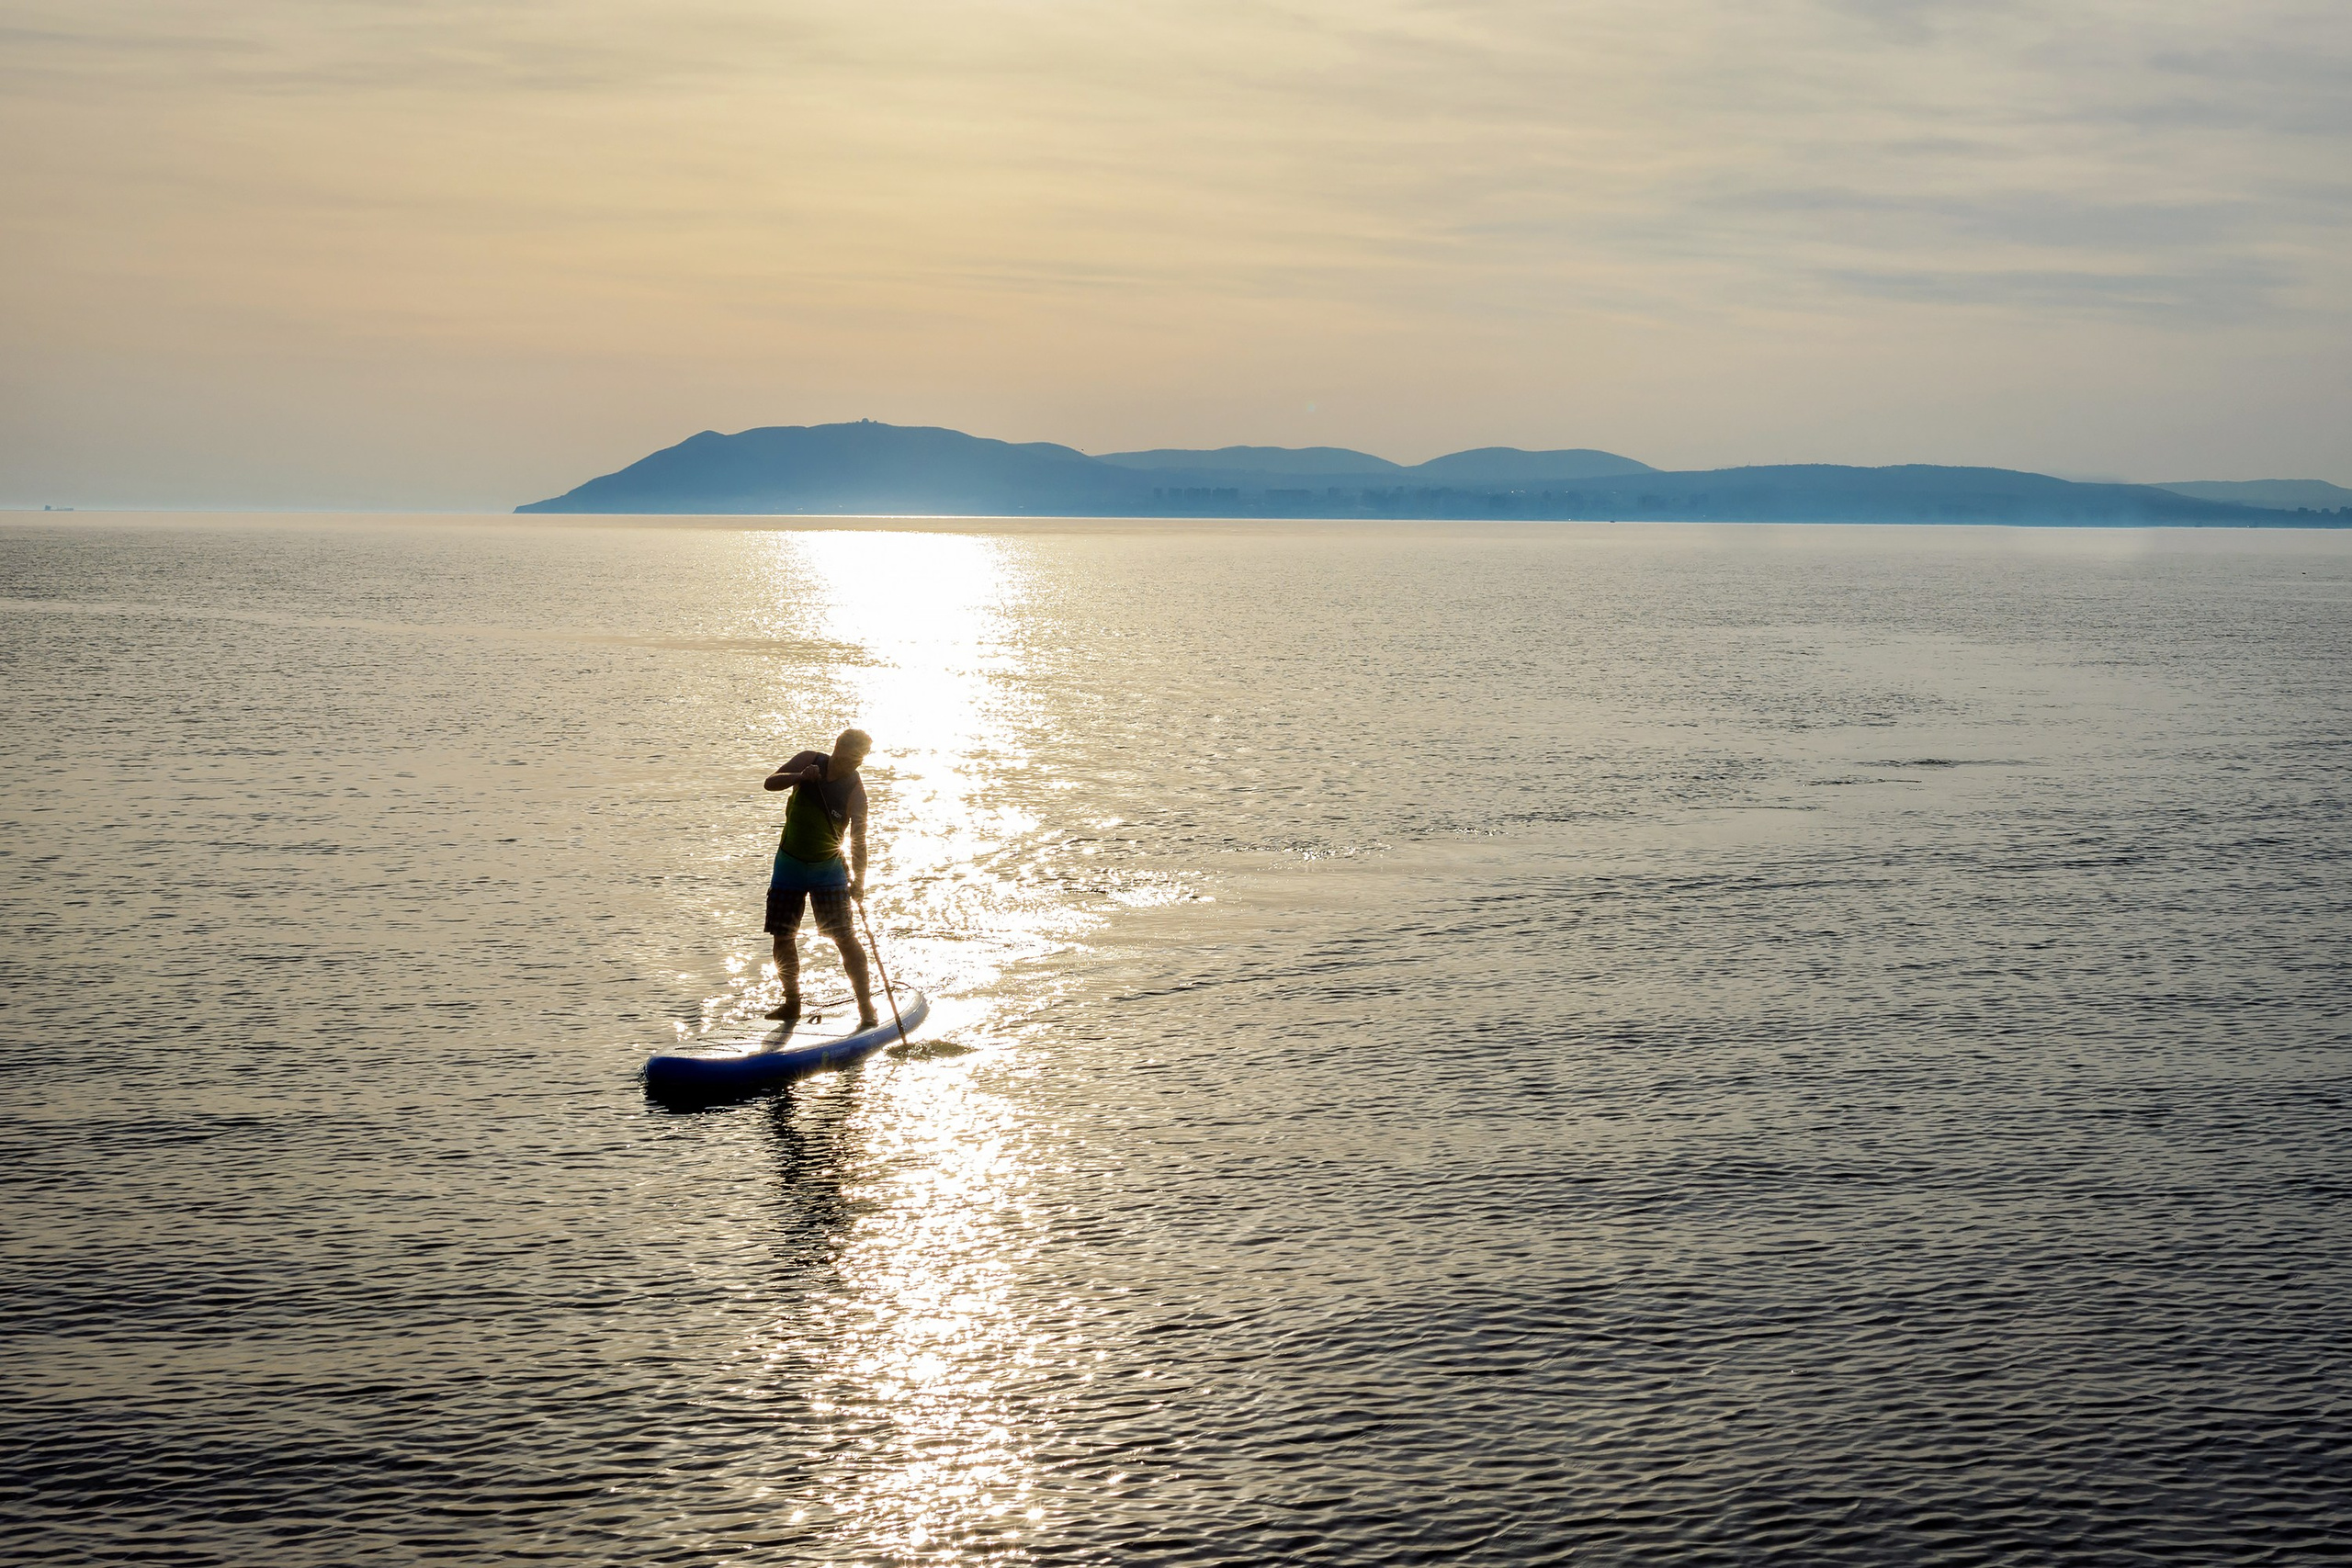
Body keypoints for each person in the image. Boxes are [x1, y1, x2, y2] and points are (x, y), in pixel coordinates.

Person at [761, 728, 876, 1027]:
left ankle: (867, 1010)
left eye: (861, 759)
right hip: (789, 866)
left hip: (829, 871)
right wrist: (800, 777)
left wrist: (859, 882)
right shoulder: (809, 760)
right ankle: (792, 1003)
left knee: (844, 938)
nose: (856, 764)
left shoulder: (855, 793)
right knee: (783, 937)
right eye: (852, 757)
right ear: (837, 749)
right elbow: (770, 783)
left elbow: (859, 841)